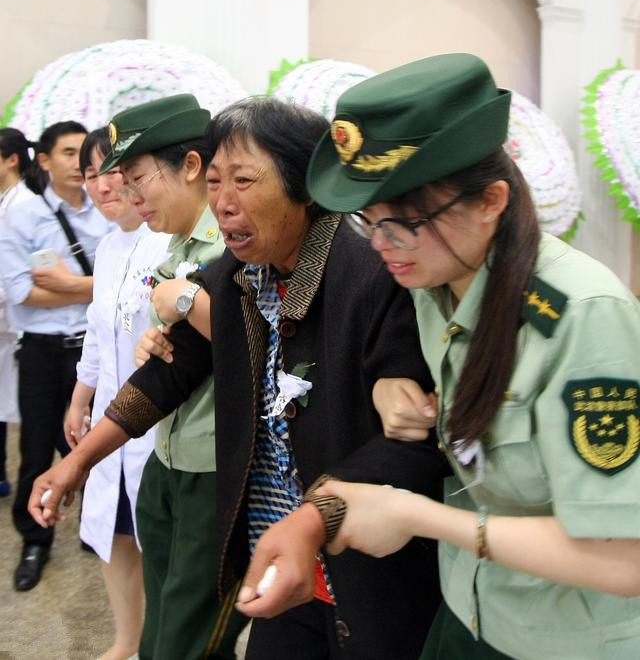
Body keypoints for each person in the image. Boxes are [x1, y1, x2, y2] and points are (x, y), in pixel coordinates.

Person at [29, 97, 448, 660]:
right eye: (217, 182)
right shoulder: (234, 275)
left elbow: (411, 442)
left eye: (244, 181)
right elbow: (167, 375)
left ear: (305, 186)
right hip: (275, 560)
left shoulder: (371, 277)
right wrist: (78, 461)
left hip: (361, 565)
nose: (222, 204)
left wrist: (314, 519)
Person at [299, 52, 640, 659]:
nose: (383, 247)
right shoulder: (435, 282)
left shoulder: (583, 318)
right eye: (368, 222)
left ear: (491, 201)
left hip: (562, 636)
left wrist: (416, 517)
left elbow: (623, 558)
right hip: (470, 610)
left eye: (403, 223)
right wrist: (390, 380)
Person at [97, 94, 245, 660]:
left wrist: (185, 301)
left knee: (191, 642)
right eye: (122, 182)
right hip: (167, 456)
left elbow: (260, 339)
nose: (130, 196)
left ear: (190, 166)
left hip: (215, 467)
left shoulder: (236, 239)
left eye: (138, 178)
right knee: (160, 630)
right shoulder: (172, 247)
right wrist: (155, 334)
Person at [66, 127, 170, 660]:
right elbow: (97, 332)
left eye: (110, 170)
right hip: (108, 417)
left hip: (154, 423)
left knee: (156, 541)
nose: (102, 186)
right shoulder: (107, 248)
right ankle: (125, 640)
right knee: (116, 534)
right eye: (89, 175)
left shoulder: (167, 242)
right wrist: (79, 398)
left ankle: (156, 644)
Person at [0, 120, 110, 591]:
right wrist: (94, 288)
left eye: (82, 155)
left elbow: (122, 278)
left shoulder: (105, 208)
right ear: (42, 160)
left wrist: (71, 286)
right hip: (43, 351)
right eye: (67, 153)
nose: (77, 164)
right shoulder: (21, 213)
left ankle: (94, 525)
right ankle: (34, 540)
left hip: (94, 346)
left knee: (97, 442)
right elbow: (21, 292)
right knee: (36, 448)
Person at [0, 129, 36, 498]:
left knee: (40, 420)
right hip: (11, 328)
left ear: (12, 159)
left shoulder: (23, 206)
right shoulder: (7, 202)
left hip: (22, 329)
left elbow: (18, 276)